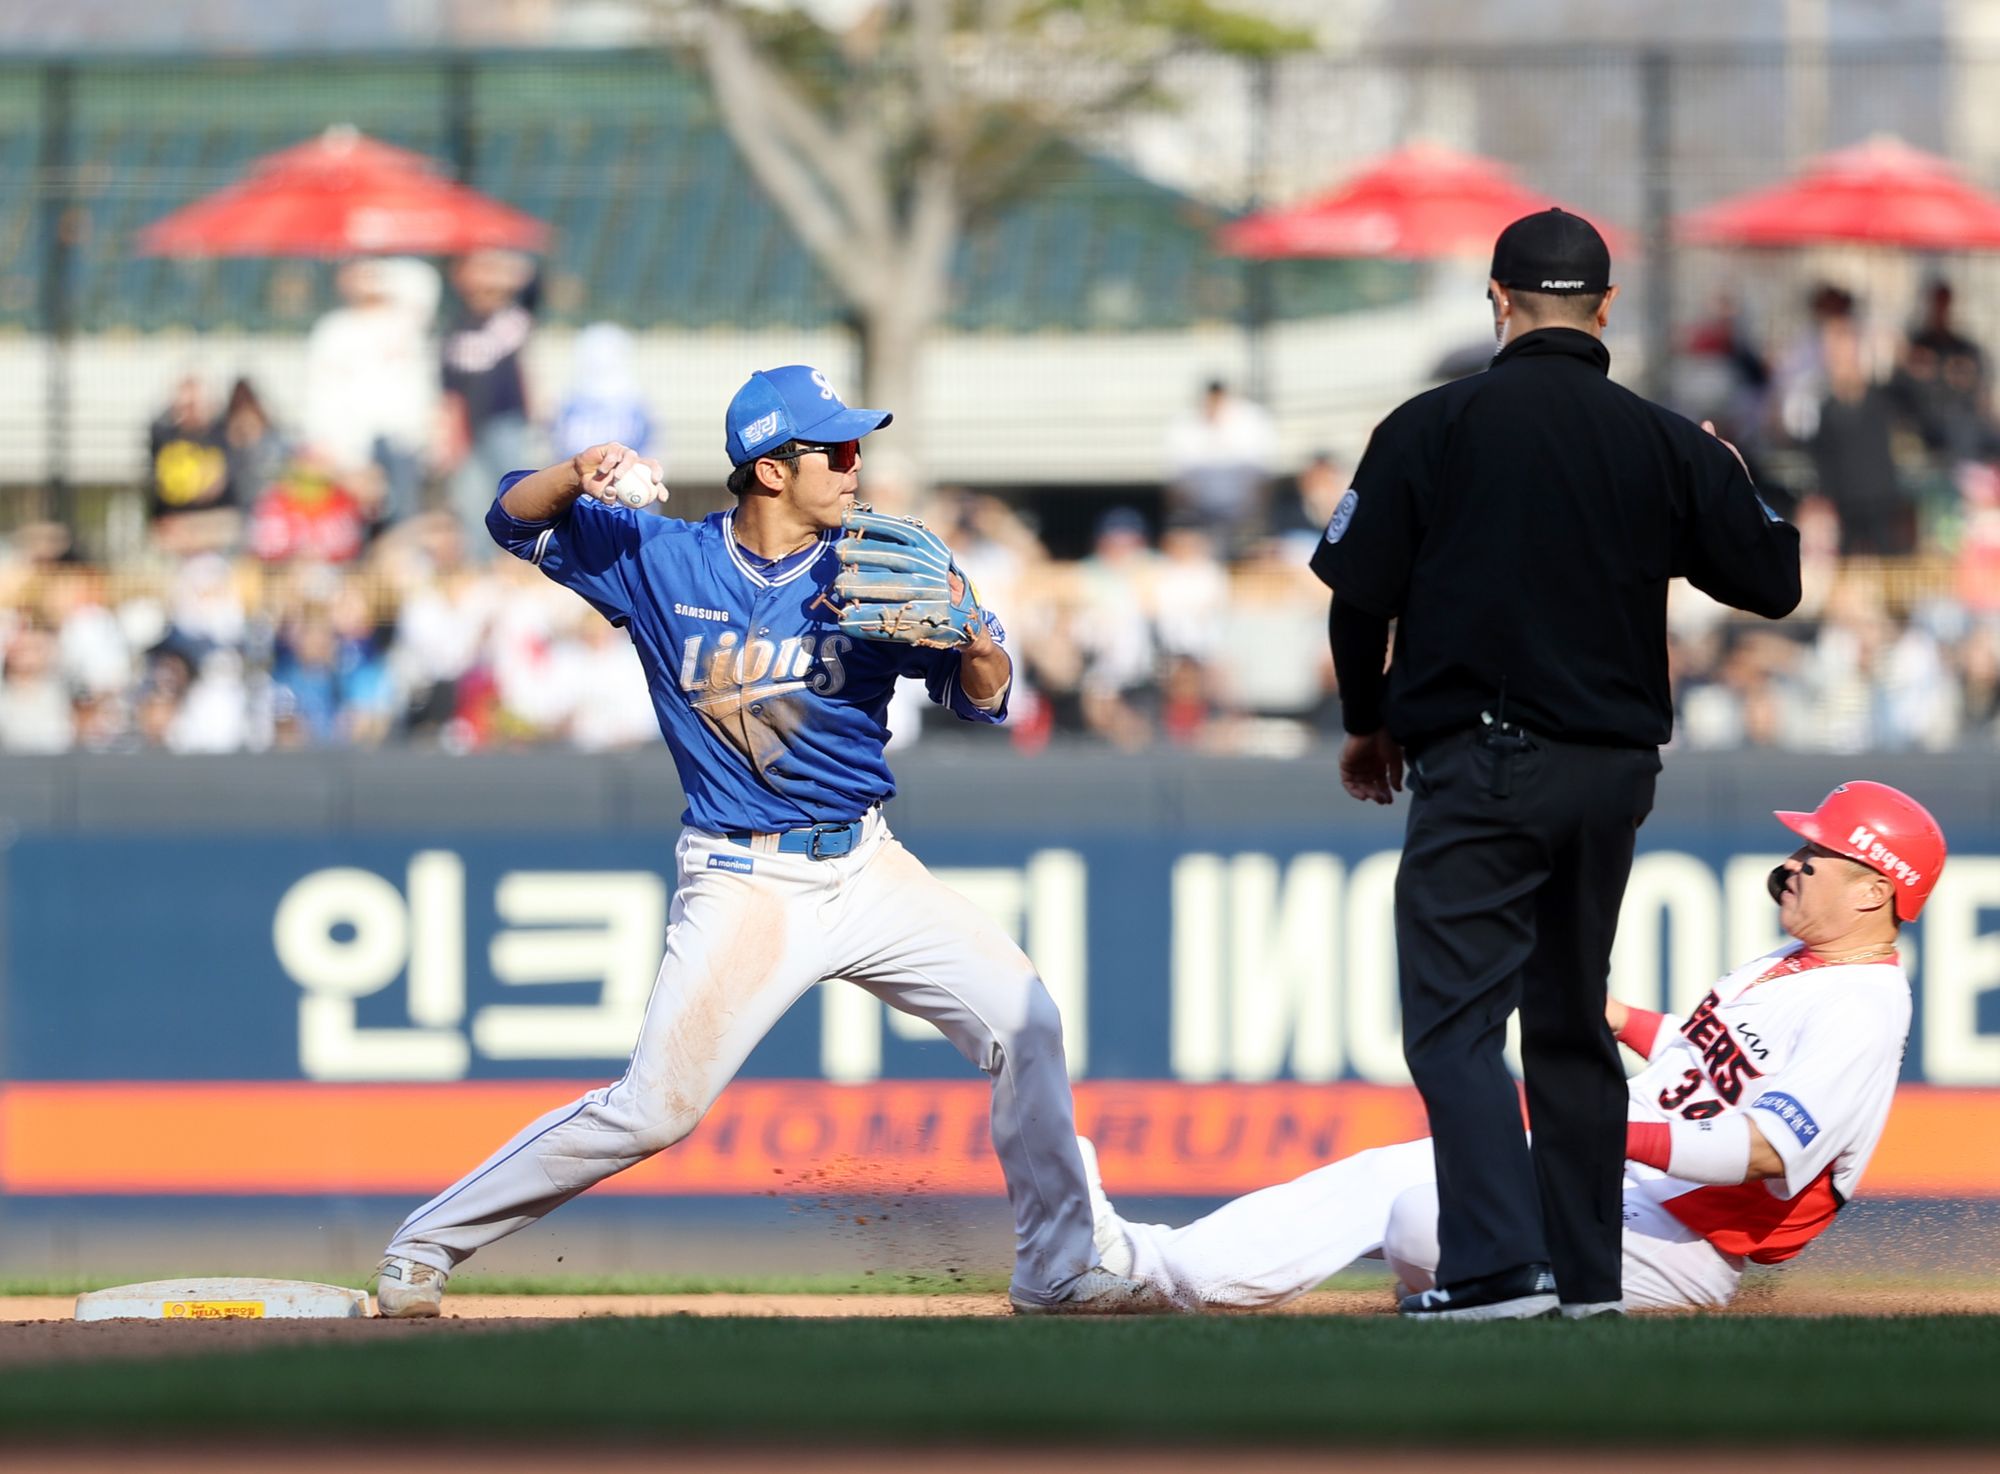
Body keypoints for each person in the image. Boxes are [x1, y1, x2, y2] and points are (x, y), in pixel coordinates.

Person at [375, 364, 1168, 1319]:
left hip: (868, 867)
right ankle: (424, 1245)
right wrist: (577, 471)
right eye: (837, 448)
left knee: (1026, 1024)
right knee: (653, 1111)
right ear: (772, 468)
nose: (856, 464)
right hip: (744, 877)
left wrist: (976, 645)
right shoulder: (663, 559)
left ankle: (1058, 1269)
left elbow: (982, 699)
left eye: (857, 446)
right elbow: (511, 518)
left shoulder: (875, 564)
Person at [1310, 208, 1802, 1320]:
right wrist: (1736, 474)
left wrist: (1366, 719)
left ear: (1496, 298)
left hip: (1485, 760)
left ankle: (1497, 1268)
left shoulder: (1432, 423)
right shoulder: (1662, 438)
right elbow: (1772, 581)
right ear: (1606, 308)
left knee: (1454, 1019)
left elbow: (1358, 597)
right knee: (1571, 1022)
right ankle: (1587, 1286)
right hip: (1612, 772)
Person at [1082, 782, 1943, 1317]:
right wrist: (1611, 1014)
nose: (1795, 862)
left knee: (1424, 1216)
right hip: (1615, 1187)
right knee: (1396, 1171)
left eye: (1818, 854)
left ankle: (1504, 1318)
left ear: (1875, 890)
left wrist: (1603, 1131)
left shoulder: (1862, 1009)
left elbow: (1765, 1150)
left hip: (1677, 1240)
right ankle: (1154, 1270)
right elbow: (1704, 1059)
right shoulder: (1792, 963)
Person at [438, 250, 538, 559]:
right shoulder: (456, 324)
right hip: (468, 427)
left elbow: (534, 283)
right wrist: (449, 432)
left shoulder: (512, 317)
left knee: (515, 494)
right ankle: (481, 564)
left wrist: (503, 268)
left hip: (505, 420)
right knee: (473, 501)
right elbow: (450, 388)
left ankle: (516, 562)